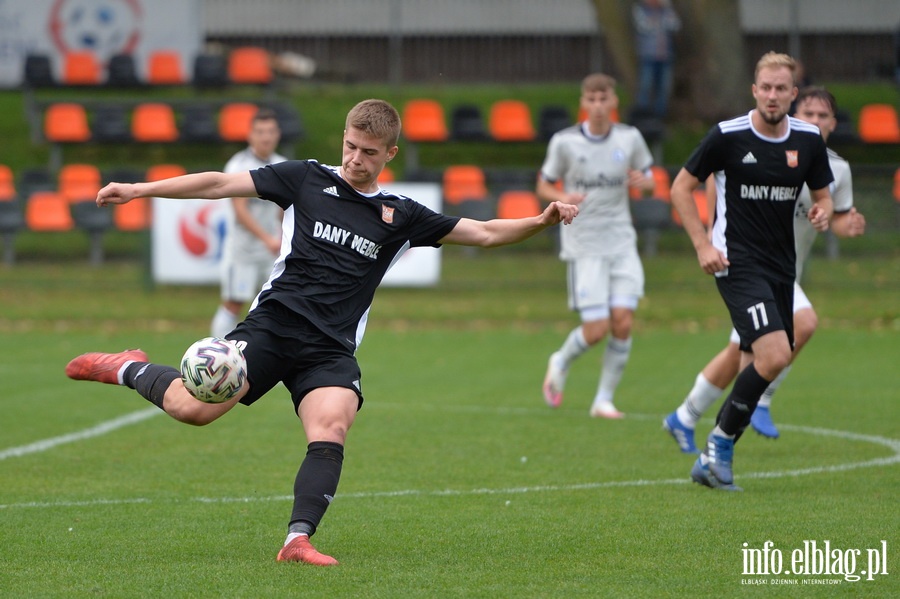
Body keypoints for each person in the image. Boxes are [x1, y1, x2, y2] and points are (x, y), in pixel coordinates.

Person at [65, 99, 579, 566]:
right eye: (351, 146)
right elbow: (221, 184)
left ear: (390, 153)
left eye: (369, 152)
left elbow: (485, 232)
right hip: (272, 327)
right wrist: (140, 189)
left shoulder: (401, 215)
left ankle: (298, 539)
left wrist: (542, 218)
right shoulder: (304, 179)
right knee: (190, 409)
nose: (357, 158)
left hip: (329, 348)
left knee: (332, 426)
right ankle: (126, 366)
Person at [663, 86, 866, 454]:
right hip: (748, 266)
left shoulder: (836, 168)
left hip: (785, 274)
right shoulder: (763, 147)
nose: (815, 121)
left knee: (739, 355)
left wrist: (842, 225)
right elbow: (715, 178)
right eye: (809, 113)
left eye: (823, 116)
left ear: (834, 124)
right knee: (798, 328)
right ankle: (745, 419)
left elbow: (831, 215)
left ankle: (685, 416)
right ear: (792, 111)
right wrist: (711, 234)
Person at [538, 73, 655, 419]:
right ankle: (560, 360)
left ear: (614, 102)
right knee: (596, 329)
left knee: (622, 322)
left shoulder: (630, 138)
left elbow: (649, 182)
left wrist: (643, 183)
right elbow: (543, 185)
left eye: (604, 99)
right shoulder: (565, 142)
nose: (599, 106)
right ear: (584, 103)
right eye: (592, 99)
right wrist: (562, 197)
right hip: (584, 243)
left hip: (621, 241)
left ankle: (603, 400)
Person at [211, 108, 287, 338]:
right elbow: (240, 210)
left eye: (270, 131)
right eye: (260, 131)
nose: (266, 137)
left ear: (278, 135)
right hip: (243, 251)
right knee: (234, 303)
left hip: (272, 251)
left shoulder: (282, 165)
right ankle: (217, 353)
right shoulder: (238, 165)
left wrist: (282, 239)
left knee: (275, 305)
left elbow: (284, 208)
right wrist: (267, 239)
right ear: (250, 135)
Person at [632, 0, 681, 118]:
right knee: (646, 87)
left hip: (665, 56)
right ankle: (643, 117)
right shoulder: (640, 10)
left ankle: (659, 118)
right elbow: (644, 26)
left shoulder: (666, 10)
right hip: (648, 56)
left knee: (664, 88)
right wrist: (662, 23)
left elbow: (675, 25)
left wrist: (660, 21)